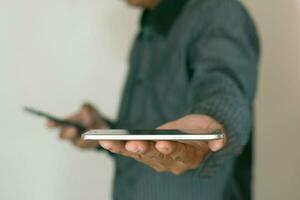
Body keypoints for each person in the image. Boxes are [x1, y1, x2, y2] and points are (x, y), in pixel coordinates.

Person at [47, 0, 260, 199]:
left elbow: (224, 87)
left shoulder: (218, 11)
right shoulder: (149, 25)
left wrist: (211, 124)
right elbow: (153, 134)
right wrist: (105, 129)